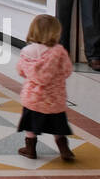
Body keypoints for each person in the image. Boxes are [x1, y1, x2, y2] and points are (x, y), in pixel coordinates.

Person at [16, 14, 76, 161]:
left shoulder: (28, 51)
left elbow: (21, 70)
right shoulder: (59, 51)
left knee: (30, 123)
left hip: (34, 98)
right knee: (58, 124)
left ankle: (30, 149)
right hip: (55, 98)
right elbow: (67, 70)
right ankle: (64, 149)